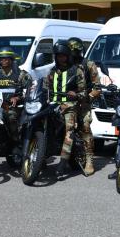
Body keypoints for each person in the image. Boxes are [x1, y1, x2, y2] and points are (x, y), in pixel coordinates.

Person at [47, 40, 86, 178]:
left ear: (68, 56)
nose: (60, 58)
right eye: (58, 56)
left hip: (70, 107)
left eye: (63, 55)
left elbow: (84, 92)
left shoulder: (77, 70)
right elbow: (45, 88)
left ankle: (62, 164)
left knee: (69, 131)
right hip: (52, 106)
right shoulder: (52, 72)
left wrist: (76, 94)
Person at [67, 37, 100, 176]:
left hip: (82, 103)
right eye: (70, 51)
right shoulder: (61, 64)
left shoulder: (89, 64)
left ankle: (89, 159)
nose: (73, 54)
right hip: (63, 102)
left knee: (85, 127)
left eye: (75, 51)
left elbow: (97, 88)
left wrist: (88, 97)